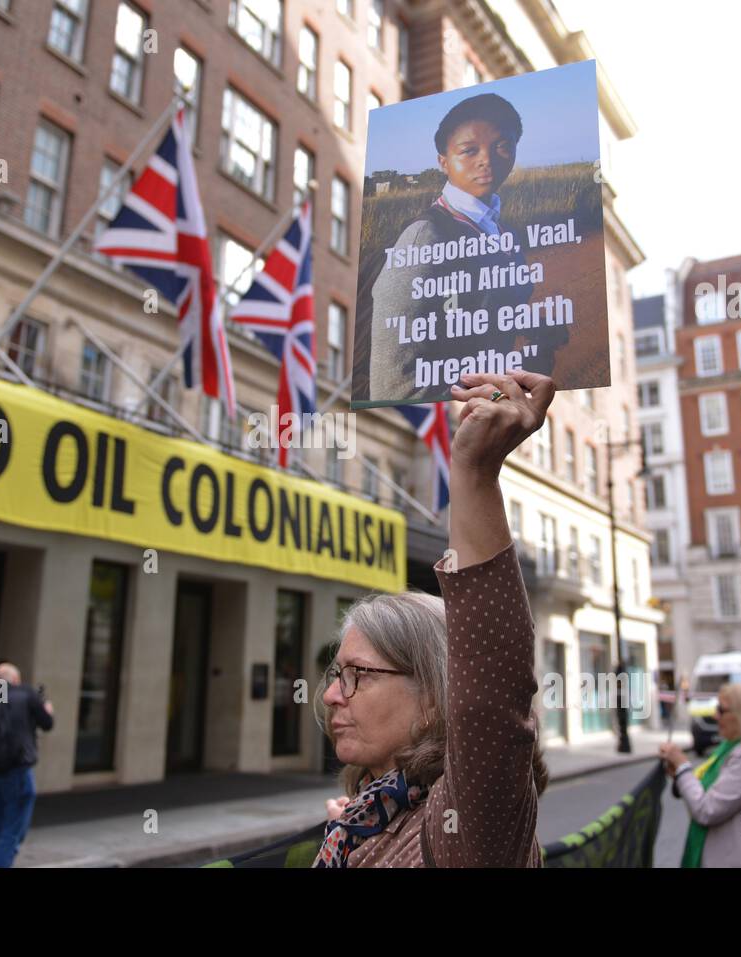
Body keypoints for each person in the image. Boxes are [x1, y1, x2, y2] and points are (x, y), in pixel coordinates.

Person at [313, 369, 554, 867]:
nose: (333, 694)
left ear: (433, 698)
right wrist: (360, 829)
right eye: (338, 674)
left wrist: (473, 473)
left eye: (359, 674)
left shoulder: (467, 829)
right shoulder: (373, 817)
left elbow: (492, 691)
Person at [367, 94, 557, 404]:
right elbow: (393, 386)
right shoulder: (426, 236)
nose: (487, 160)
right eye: (469, 150)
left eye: (502, 145)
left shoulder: (502, 230)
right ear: (443, 161)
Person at [658, 683, 741, 867]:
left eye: (721, 710)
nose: (715, 716)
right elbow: (702, 794)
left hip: (736, 859)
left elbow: (706, 809)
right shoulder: (728, 751)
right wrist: (680, 777)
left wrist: (683, 766)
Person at [0, 662, 53, 868]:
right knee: (10, 832)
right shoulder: (25, 694)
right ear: (16, 680)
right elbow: (47, 723)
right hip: (16, 772)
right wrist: (47, 710)